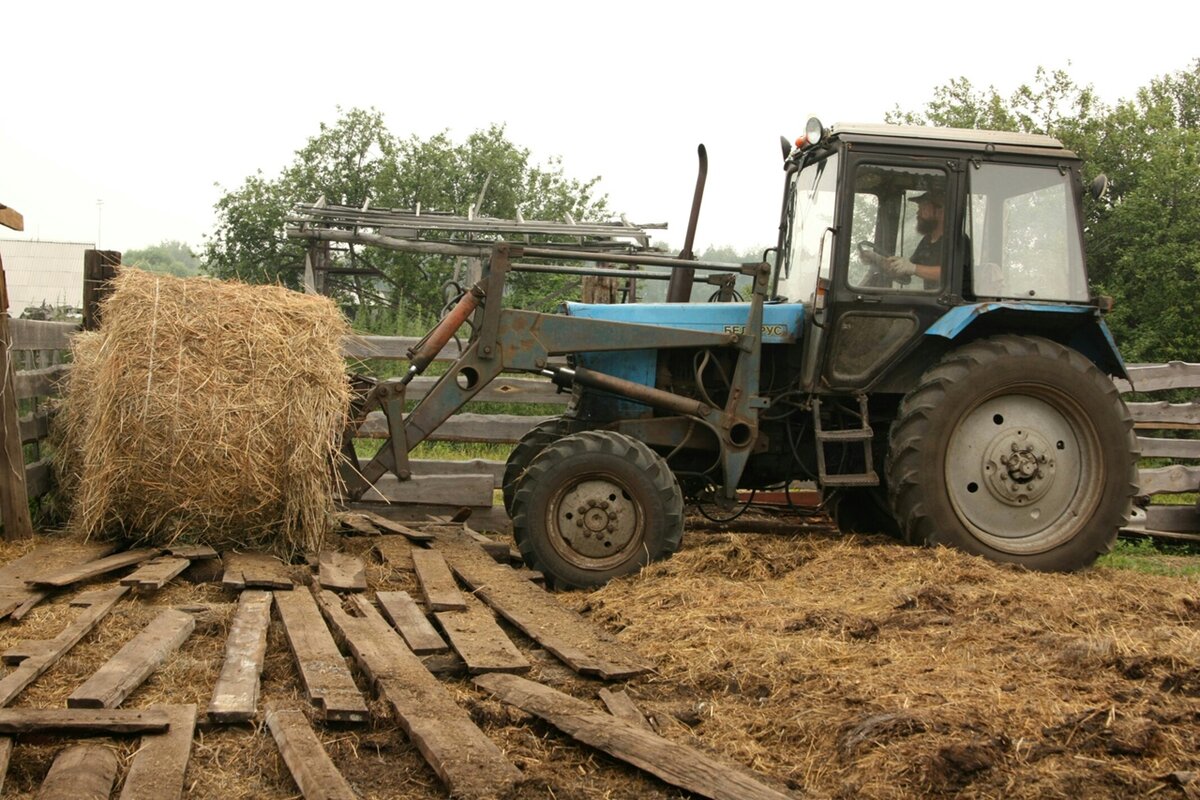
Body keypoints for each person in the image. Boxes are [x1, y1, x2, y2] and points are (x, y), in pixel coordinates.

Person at [882, 189, 944, 287]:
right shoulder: (927, 240)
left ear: (940, 212)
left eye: (923, 209)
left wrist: (913, 268)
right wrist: (879, 260)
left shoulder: (957, 241)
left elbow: (950, 273)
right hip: (932, 300)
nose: (918, 213)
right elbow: (909, 268)